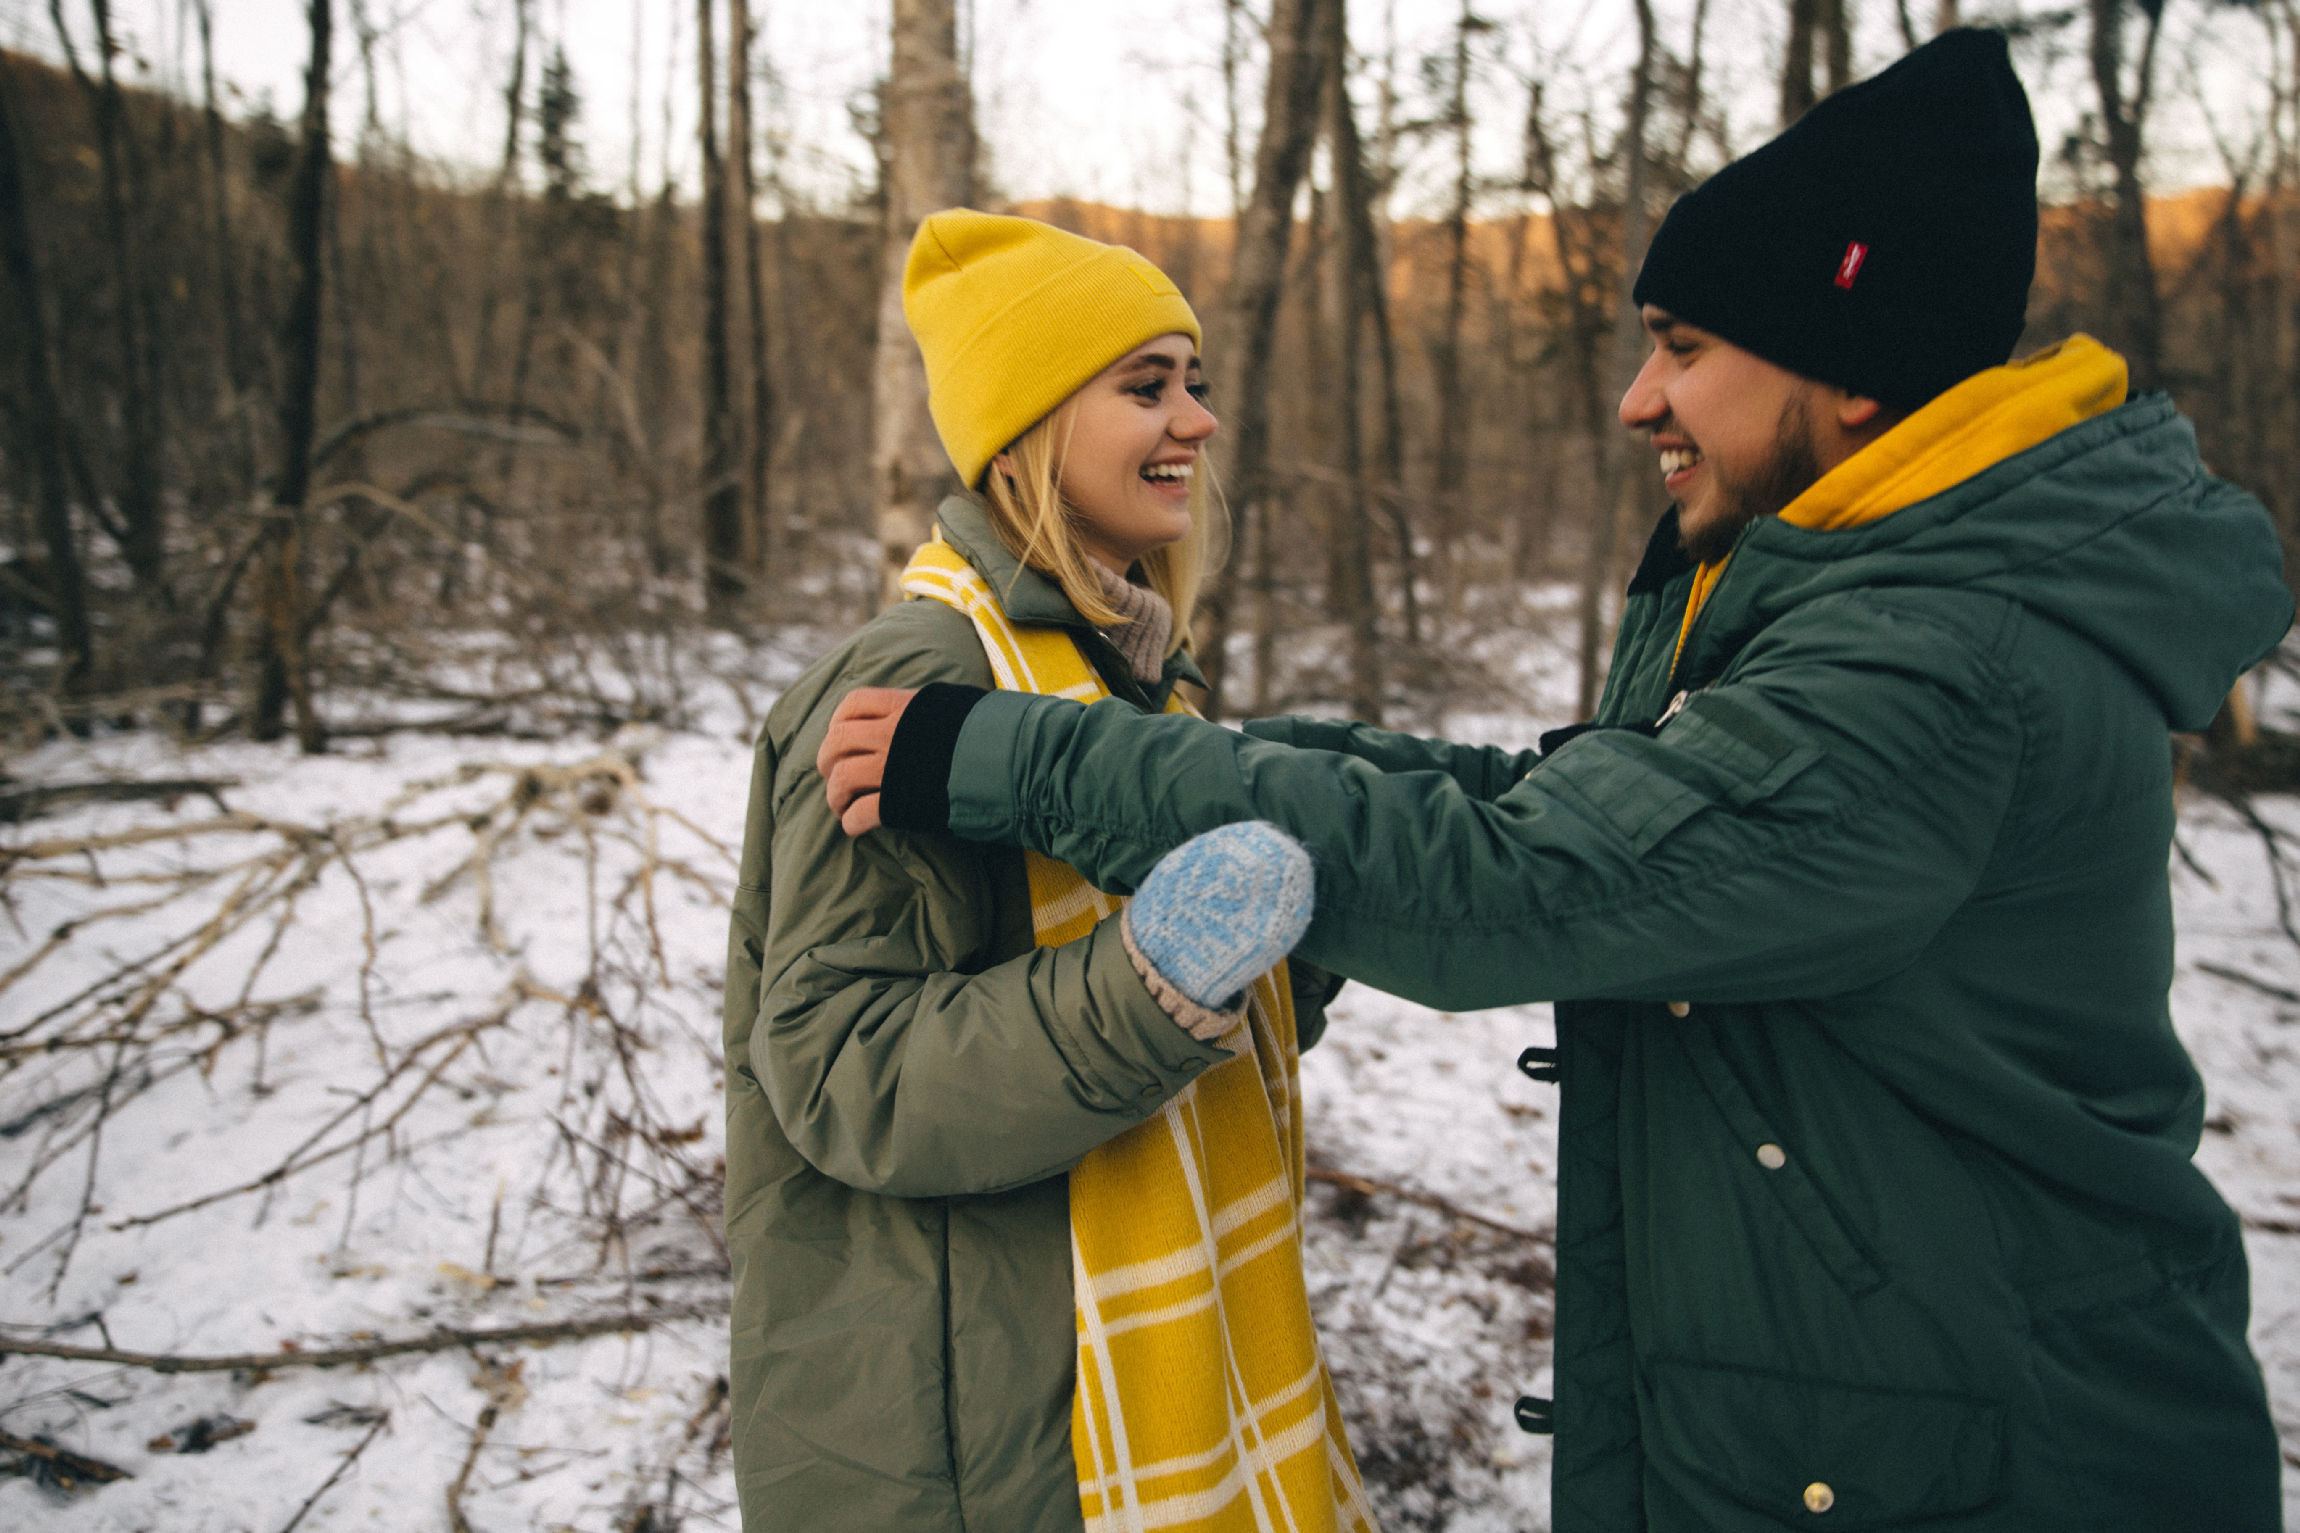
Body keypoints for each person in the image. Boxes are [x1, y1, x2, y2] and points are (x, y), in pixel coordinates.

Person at [820, 32, 2292, 1532]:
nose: (1638, 399)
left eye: (1688, 347)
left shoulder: (1938, 661)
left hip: (1996, 1467)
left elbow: (1529, 878)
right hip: (1883, 1427)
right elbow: (1580, 797)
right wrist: (1225, 758)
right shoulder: (1870, 587)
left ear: (1850, 368)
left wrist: (1030, 756)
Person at [721, 209, 1375, 1533]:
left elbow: (1223, 1034)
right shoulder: (918, 683)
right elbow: (842, 1070)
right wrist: (1148, 984)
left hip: (1124, 1375)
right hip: (979, 1433)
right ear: (1026, 425)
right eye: (1146, 387)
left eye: (1195, 382)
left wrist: (1325, 892)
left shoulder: (1136, 679)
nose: (1195, 420)